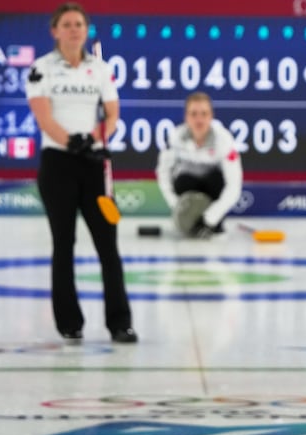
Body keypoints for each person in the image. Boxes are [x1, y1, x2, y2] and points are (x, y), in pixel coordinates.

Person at [25, 2, 137, 344]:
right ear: (55, 31)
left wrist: (95, 139)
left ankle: (120, 323)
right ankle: (69, 323)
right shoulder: (40, 68)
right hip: (58, 164)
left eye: (79, 24)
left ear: (87, 30)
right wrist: (73, 142)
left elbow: (113, 114)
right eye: (67, 24)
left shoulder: (101, 69)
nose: (74, 30)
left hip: (94, 165)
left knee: (108, 246)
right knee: (64, 243)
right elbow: (43, 118)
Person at [156, 92, 243, 238]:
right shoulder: (175, 138)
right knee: (182, 180)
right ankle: (189, 222)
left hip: (213, 188)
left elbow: (234, 185)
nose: (199, 119)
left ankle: (213, 224)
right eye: (194, 114)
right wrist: (176, 206)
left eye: (204, 114)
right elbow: (163, 173)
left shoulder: (224, 140)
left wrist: (210, 218)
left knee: (216, 180)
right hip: (188, 187)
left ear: (211, 116)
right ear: (186, 117)